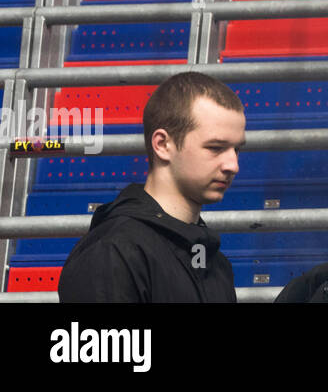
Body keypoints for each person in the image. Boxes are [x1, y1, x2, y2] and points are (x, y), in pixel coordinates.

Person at [58, 71, 245, 303]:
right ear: (162, 145)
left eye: (236, 149)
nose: (233, 165)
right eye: (216, 147)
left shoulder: (215, 263)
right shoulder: (113, 252)